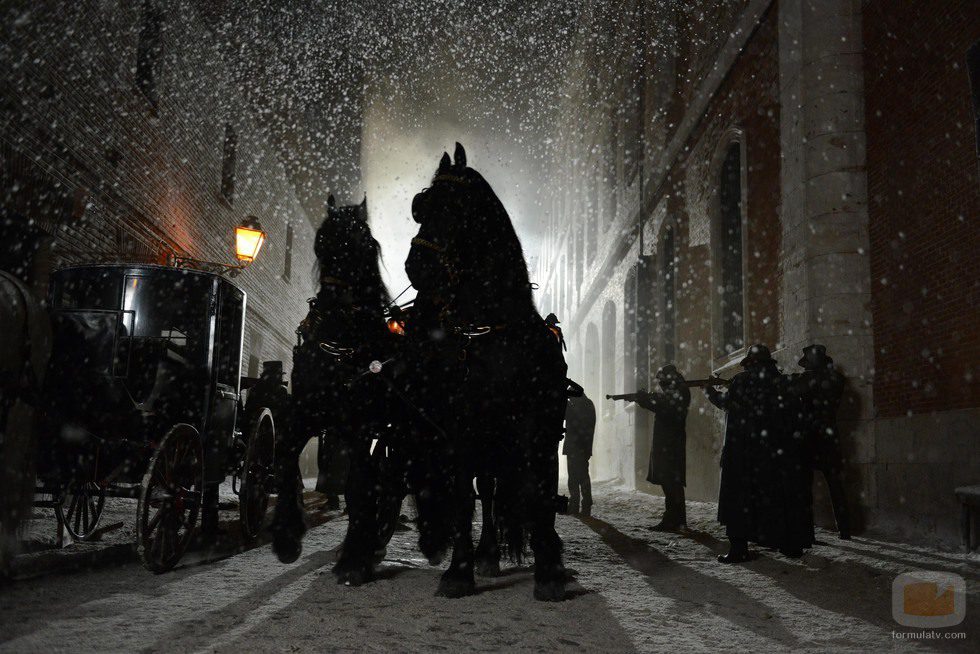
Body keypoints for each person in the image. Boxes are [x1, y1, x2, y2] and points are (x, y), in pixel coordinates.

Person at [706, 344, 812, 562]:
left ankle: (739, 549)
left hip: (745, 452)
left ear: (750, 363)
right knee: (780, 497)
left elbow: (727, 403)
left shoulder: (742, 381)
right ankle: (789, 544)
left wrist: (710, 393)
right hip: (777, 452)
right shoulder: (782, 382)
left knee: (739, 499)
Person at [792, 344, 850, 540]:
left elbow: (796, 390)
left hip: (809, 438)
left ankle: (808, 532)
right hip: (829, 437)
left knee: (804, 487)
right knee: (836, 485)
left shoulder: (806, 380)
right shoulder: (836, 379)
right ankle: (844, 529)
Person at [633, 365, 691, 531]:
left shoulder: (678, 391)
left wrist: (645, 400)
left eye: (662, 380)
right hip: (669, 441)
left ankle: (674, 520)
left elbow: (665, 407)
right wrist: (648, 399)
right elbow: (663, 403)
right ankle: (675, 519)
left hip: (670, 443)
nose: (660, 384)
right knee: (670, 482)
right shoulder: (677, 390)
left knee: (671, 482)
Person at [563, 391, 596, 516]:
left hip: (575, 447)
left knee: (575, 477)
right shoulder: (587, 404)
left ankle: (575, 505)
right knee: (583, 477)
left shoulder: (576, 406)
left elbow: (566, 416)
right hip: (583, 447)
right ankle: (585, 505)